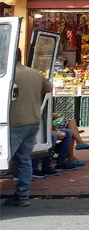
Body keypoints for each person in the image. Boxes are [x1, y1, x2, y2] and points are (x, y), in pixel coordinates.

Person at [7, 50, 53, 207]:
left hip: (14, 122)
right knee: (24, 159)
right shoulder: (34, 73)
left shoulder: (8, 74)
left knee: (5, 159)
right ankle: (22, 195)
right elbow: (49, 88)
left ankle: (21, 195)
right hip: (32, 121)